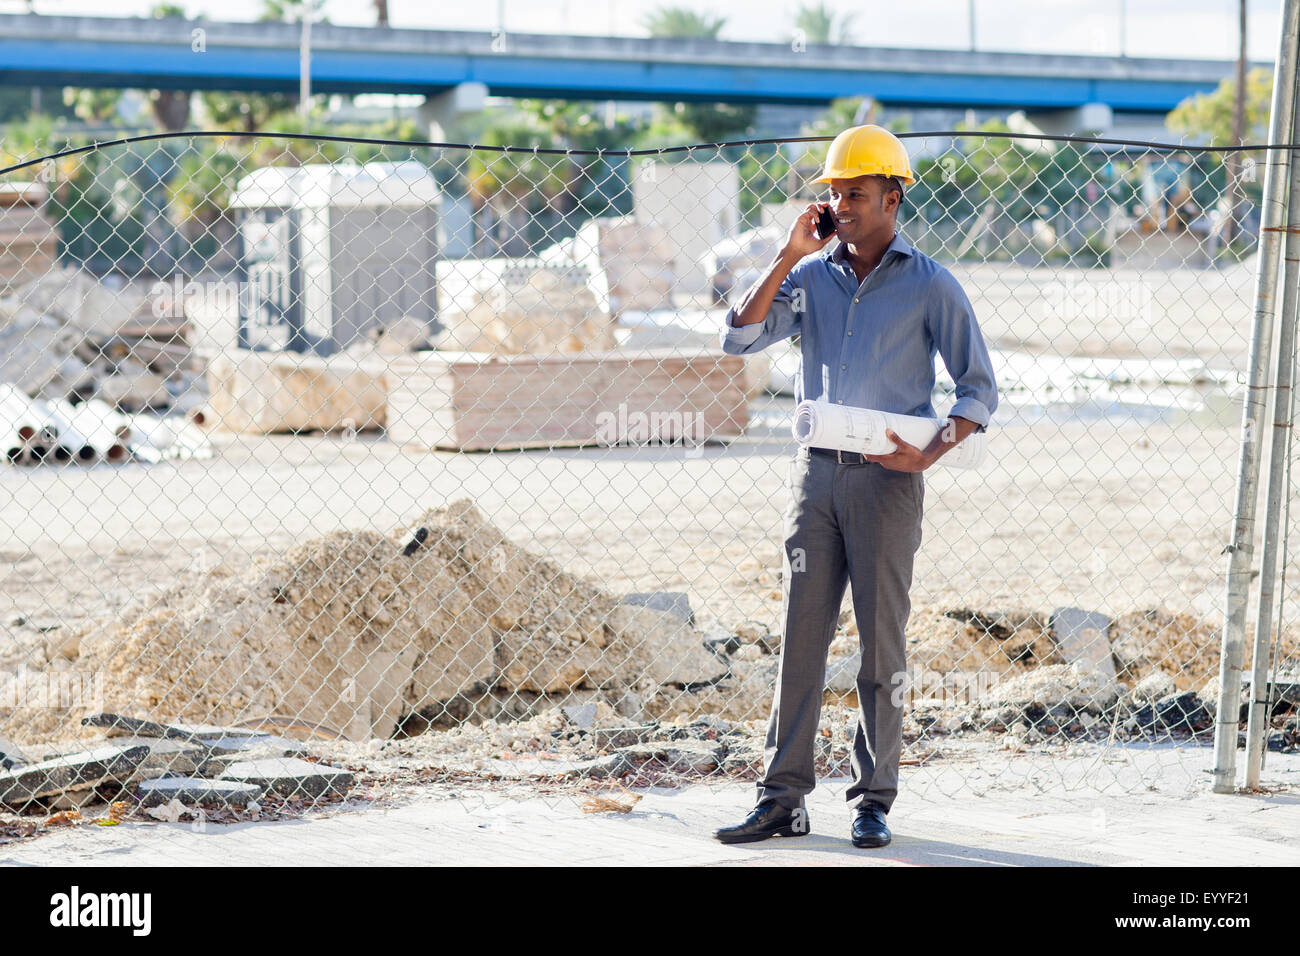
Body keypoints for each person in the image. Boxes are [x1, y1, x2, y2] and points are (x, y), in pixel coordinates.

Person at [712, 125, 998, 849]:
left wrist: (933, 448)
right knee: (799, 639)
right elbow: (739, 337)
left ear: (893, 198)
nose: (841, 204)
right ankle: (782, 799)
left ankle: (873, 800)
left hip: (887, 488)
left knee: (880, 648)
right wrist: (787, 254)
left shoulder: (931, 285)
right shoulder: (808, 277)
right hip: (815, 483)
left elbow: (977, 390)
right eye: (834, 192)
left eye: (857, 194)